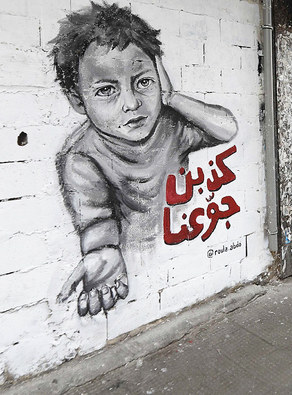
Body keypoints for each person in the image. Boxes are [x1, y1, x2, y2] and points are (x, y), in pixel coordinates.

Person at [50, 3, 238, 316]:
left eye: (144, 81)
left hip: (182, 240)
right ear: (76, 99)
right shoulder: (81, 156)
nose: (132, 102)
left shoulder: (170, 125)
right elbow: (95, 218)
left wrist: (172, 97)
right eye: (107, 89)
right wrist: (102, 254)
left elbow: (227, 128)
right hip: (139, 258)